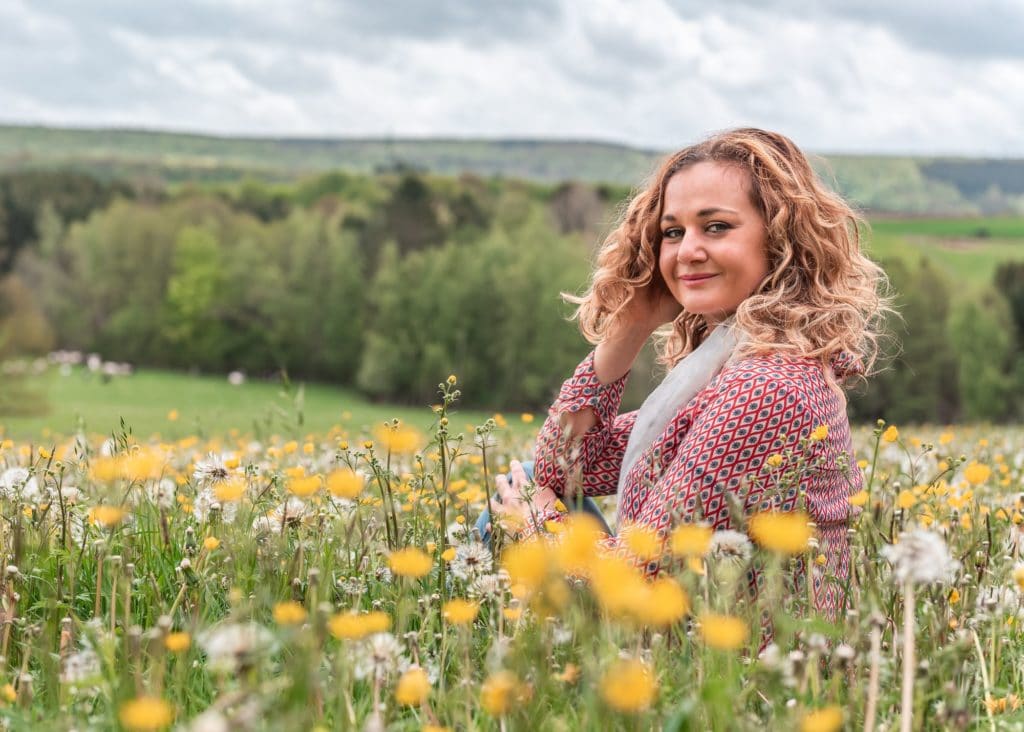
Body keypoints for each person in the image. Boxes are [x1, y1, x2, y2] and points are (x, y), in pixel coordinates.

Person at [483, 128, 888, 620]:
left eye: (715, 227)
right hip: (696, 635)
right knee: (525, 480)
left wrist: (534, 526)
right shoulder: (731, 368)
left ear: (780, 239)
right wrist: (628, 327)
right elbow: (565, 468)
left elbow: (637, 577)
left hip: (741, 676)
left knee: (516, 507)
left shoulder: (766, 387)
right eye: (673, 233)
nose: (686, 251)